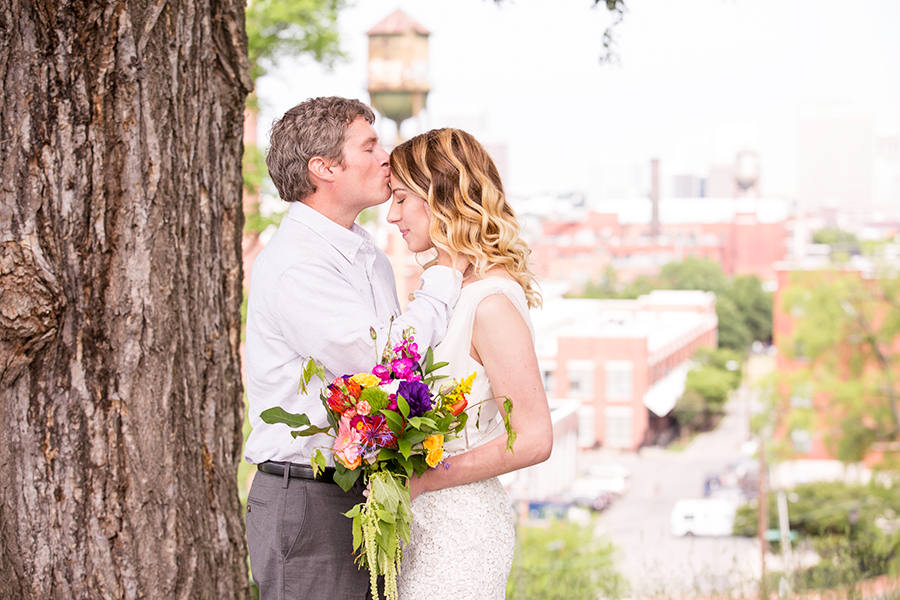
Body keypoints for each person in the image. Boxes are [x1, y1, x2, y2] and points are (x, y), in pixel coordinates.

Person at [243, 98, 466, 600]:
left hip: (361, 490)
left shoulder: (366, 254)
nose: (386, 157)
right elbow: (383, 363)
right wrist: (446, 275)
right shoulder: (298, 264)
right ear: (323, 168)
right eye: (369, 147)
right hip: (308, 499)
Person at [386, 128, 554, 598]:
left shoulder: (490, 302)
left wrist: (425, 479)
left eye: (401, 198)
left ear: (440, 196)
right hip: (419, 526)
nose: (392, 215)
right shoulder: (445, 291)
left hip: (460, 537)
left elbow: (535, 438)